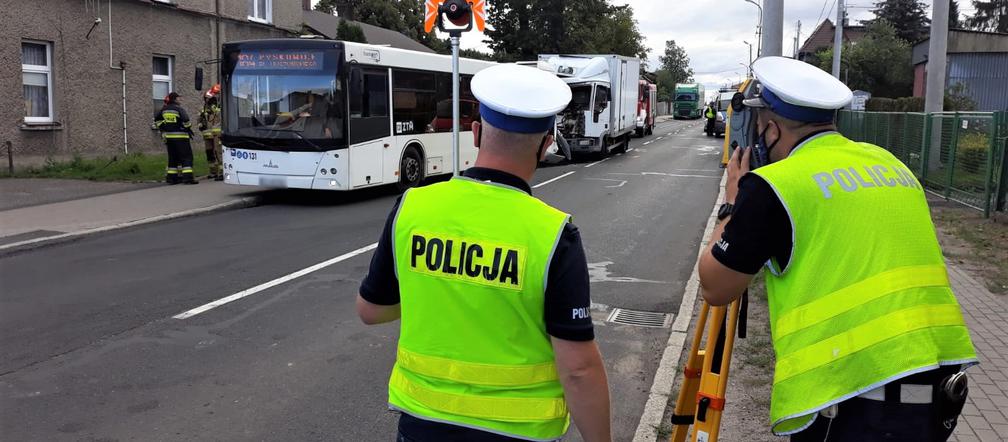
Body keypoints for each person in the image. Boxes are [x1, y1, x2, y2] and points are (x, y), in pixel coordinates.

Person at [697, 56, 977, 441]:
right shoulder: (889, 164)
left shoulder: (776, 185)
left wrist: (732, 202)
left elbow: (715, 286)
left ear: (772, 129)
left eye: (760, 128)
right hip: (936, 387)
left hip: (853, 400)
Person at [356, 63, 612, 442]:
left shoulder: (412, 206)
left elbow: (371, 310)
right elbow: (577, 370)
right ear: (546, 145)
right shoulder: (555, 234)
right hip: (517, 433)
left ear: (476, 133)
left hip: (423, 426)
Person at [153, 92, 197, 184]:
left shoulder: (164, 110)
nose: (180, 100)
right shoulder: (179, 109)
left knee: (172, 158)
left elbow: (157, 120)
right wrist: (186, 127)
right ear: (175, 99)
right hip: (181, 137)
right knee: (186, 157)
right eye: (179, 98)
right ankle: (188, 178)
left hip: (169, 138)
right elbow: (186, 121)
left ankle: (172, 178)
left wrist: (163, 127)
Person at [198, 84, 223, 181]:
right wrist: (200, 124)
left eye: (210, 98)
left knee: (218, 152)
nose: (208, 100)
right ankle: (213, 172)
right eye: (206, 98)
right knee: (209, 153)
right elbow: (200, 118)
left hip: (217, 133)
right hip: (207, 134)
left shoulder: (220, 106)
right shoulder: (204, 108)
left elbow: (220, 117)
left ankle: (222, 172)